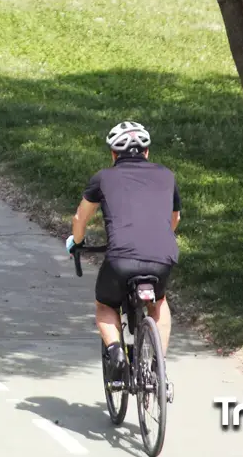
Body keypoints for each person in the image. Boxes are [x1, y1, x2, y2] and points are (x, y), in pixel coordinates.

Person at [65, 121, 180, 400]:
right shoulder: (167, 176)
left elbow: (80, 218)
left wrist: (77, 243)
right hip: (162, 256)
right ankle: (157, 367)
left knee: (106, 304)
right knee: (159, 304)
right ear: (147, 152)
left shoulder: (103, 178)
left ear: (113, 154)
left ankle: (116, 352)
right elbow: (175, 219)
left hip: (121, 260)